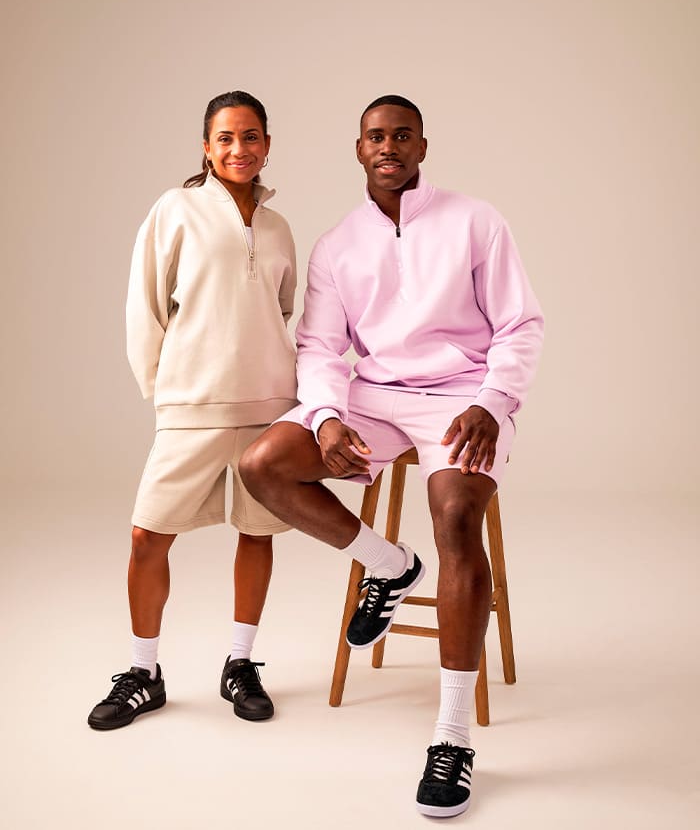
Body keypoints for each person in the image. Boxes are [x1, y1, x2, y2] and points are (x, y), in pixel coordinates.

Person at [239, 95, 544, 817]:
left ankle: (452, 738)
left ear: (422, 147)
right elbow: (320, 347)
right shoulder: (338, 244)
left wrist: (493, 401)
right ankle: (389, 564)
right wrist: (325, 417)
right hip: (373, 396)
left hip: (463, 398)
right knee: (262, 464)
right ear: (358, 149)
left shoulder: (476, 221)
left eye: (402, 135)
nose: (389, 147)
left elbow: (520, 325)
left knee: (456, 522)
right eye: (376, 136)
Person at [87, 91, 297, 730]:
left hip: (267, 406)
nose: (239, 148)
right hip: (191, 404)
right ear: (206, 148)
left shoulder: (279, 227)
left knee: (258, 532)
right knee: (148, 536)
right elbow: (145, 304)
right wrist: (165, 390)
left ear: (267, 145)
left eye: (251, 136)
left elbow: (283, 311)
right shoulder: (174, 210)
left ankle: (241, 664)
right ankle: (143, 673)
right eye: (225, 138)